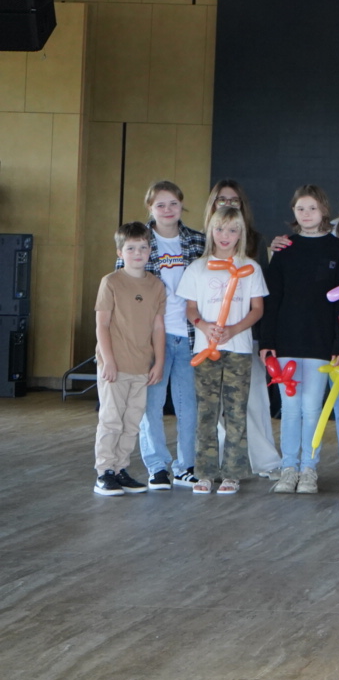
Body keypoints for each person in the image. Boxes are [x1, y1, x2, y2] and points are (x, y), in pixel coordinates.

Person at [259, 185, 339, 496]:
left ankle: (309, 468)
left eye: (312, 208)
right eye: (300, 209)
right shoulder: (284, 248)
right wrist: (267, 341)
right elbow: (272, 298)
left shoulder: (338, 249)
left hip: (321, 342)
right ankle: (289, 468)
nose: (307, 214)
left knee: (312, 408)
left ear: (324, 210)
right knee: (290, 407)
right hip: (287, 341)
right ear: (293, 213)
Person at [178, 205, 268, 496]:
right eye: (219, 229)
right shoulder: (198, 268)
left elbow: (257, 309)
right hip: (205, 350)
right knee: (206, 412)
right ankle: (205, 472)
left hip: (238, 350)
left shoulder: (250, 267)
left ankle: (232, 473)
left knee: (236, 412)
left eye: (232, 230)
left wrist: (234, 329)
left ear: (240, 233)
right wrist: (203, 326)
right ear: (211, 231)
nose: (225, 235)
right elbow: (190, 308)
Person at [129, 180, 206, 491]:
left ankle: (186, 466)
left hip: (189, 335)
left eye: (173, 203)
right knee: (151, 405)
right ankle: (157, 466)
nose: (167, 209)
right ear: (150, 208)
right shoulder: (138, 241)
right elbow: (124, 286)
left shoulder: (198, 241)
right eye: (160, 204)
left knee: (188, 406)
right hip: (152, 337)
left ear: (182, 205)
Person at [92, 222, 167, 496]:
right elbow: (102, 324)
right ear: (120, 252)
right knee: (111, 419)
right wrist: (108, 361)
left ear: (150, 250)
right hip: (115, 366)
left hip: (142, 366)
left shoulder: (156, 285)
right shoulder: (111, 282)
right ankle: (104, 472)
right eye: (131, 248)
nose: (138, 253)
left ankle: (121, 468)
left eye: (143, 248)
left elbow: (158, 327)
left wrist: (159, 362)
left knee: (132, 421)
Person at [208, 180, 277, 478]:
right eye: (222, 199)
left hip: (247, 335)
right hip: (209, 340)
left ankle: (266, 461)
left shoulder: (256, 242)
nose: (228, 204)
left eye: (234, 200)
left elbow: (260, 298)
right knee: (213, 405)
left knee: (254, 400)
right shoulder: (202, 243)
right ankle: (222, 462)